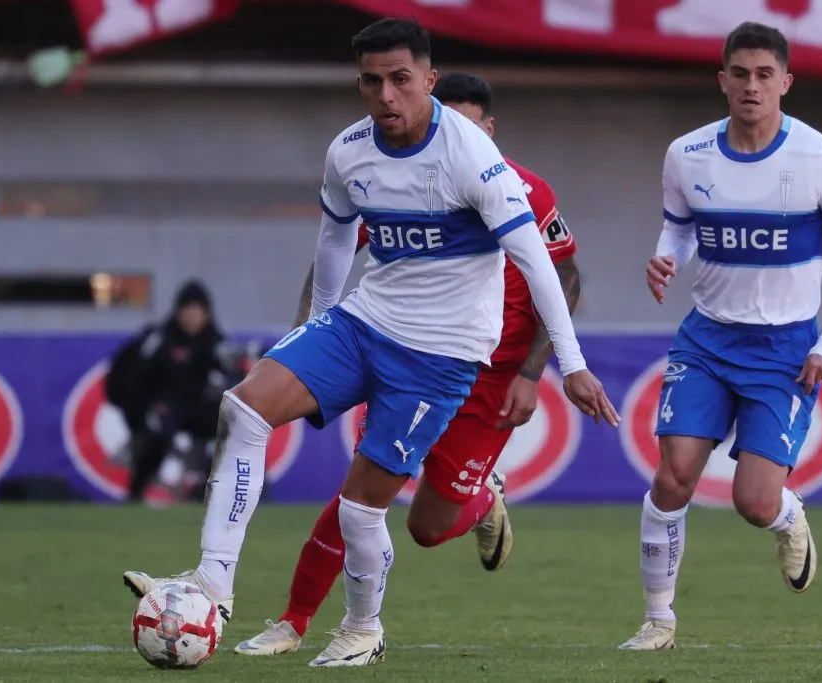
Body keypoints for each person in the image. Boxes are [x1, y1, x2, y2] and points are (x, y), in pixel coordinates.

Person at [121, 17, 619, 669]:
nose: (386, 95)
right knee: (242, 407)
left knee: (363, 509)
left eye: (400, 80)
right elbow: (333, 240)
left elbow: (537, 259)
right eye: (372, 81)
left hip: (441, 355)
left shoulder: (471, 156)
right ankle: (214, 584)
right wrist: (314, 330)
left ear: (427, 81)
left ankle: (362, 626)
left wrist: (571, 365)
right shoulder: (350, 151)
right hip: (365, 323)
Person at [232, 73, 582, 661]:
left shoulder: (527, 191)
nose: (458, 139)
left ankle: (481, 502)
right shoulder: (407, 182)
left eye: (473, 128)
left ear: (490, 132)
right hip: (414, 354)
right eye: (452, 124)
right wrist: (307, 332)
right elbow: (337, 247)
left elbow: (566, 276)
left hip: (491, 378)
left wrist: (531, 372)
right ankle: (293, 622)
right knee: (358, 496)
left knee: (425, 526)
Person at [619, 21, 822, 651]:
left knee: (755, 502)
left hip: (785, 351)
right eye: (740, 73)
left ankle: (790, 522)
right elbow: (680, 228)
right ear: (723, 80)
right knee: (673, 475)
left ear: (785, 82)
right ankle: (658, 619)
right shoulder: (687, 154)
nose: (752, 86)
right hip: (707, 340)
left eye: (765, 75)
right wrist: (665, 257)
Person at [104, 280, 229, 502]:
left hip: (197, 409)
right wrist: (135, 416)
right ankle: (136, 491)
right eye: (187, 310)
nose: (192, 317)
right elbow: (129, 378)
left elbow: (232, 380)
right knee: (159, 429)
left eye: (197, 311)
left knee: (227, 428)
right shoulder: (159, 339)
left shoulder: (217, 343)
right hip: (162, 408)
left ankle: (209, 493)